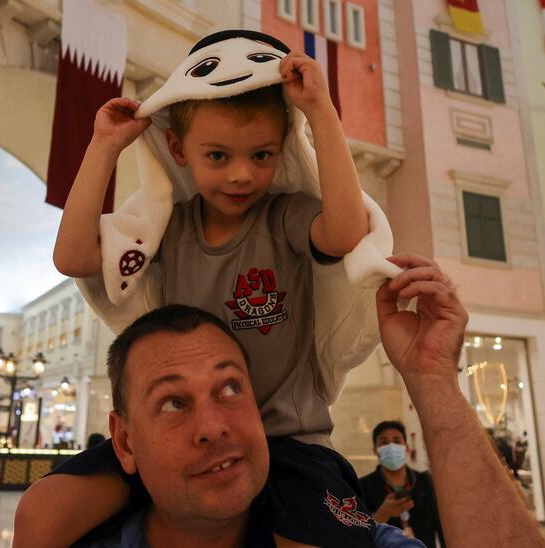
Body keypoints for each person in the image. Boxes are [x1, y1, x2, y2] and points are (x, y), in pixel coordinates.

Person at [51, 28, 392, 546]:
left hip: (288, 440)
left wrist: (321, 113)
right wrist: (103, 148)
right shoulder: (170, 229)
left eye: (261, 155)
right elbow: (73, 258)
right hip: (186, 438)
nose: (241, 175)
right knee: (44, 510)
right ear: (177, 148)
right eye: (218, 156)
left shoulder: (284, 219)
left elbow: (346, 233)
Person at [15, 255, 545, 547]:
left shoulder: (353, 541)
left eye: (230, 388)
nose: (213, 426)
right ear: (125, 441)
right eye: (173, 403)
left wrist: (434, 382)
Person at [358, 421, 445, 547]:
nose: (391, 446)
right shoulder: (362, 487)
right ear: (376, 450)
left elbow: (442, 526)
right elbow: (358, 533)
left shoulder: (425, 481)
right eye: (384, 442)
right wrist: (383, 514)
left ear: (406, 448)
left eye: (397, 441)